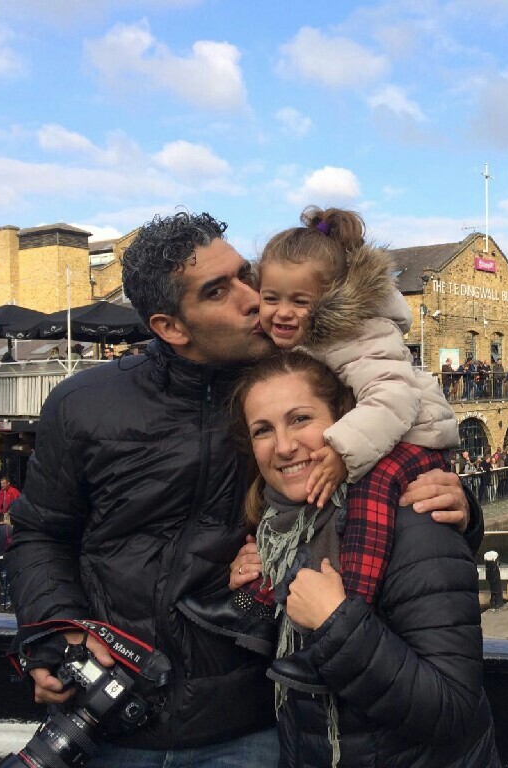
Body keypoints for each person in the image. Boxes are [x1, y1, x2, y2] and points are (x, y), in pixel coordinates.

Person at [5, 211, 482, 767]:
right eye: (218, 291)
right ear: (170, 327)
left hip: (250, 723)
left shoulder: (300, 379)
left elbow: (390, 461)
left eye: (246, 276)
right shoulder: (84, 404)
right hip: (114, 715)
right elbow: (40, 533)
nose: (253, 299)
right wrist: (59, 635)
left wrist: (462, 508)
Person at [181, 205, 461, 688]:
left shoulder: (357, 333)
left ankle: (339, 623)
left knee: (368, 506)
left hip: (406, 437)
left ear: (330, 300)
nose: (279, 312)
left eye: (299, 301)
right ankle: (263, 610)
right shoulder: (294, 342)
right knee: (289, 515)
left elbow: (394, 398)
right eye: (271, 298)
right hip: (370, 433)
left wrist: (341, 451)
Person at [225, 351, 500, 767]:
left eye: (300, 419)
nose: (284, 446)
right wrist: (251, 586)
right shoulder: (277, 529)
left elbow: (452, 707)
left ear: (345, 420)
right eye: (263, 430)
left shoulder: (413, 514)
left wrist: (336, 621)